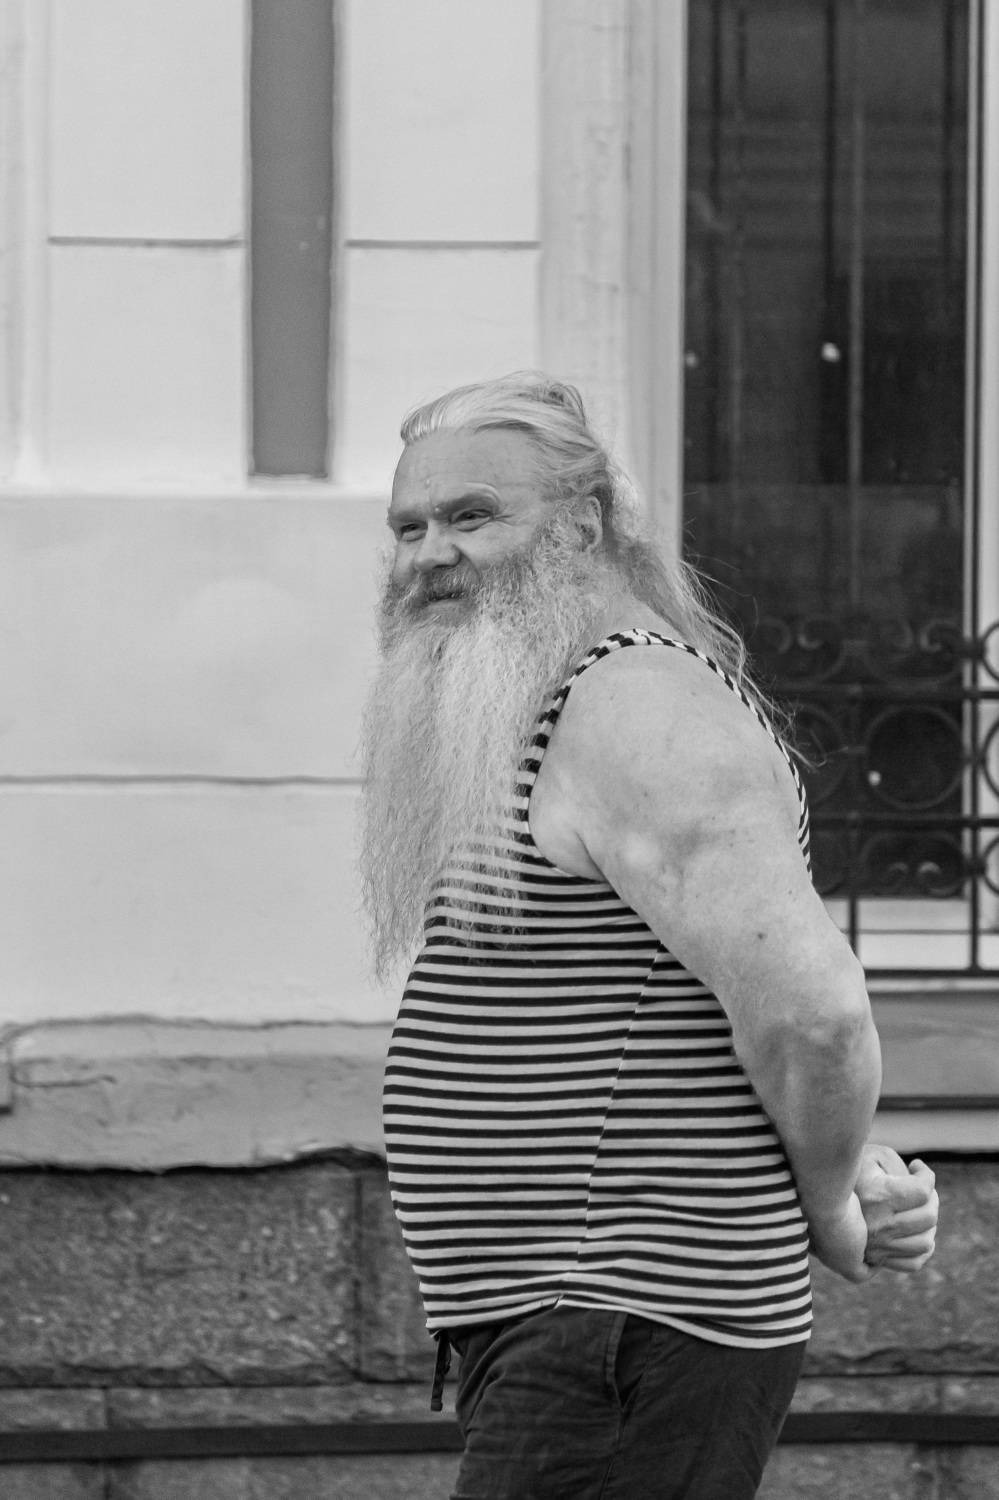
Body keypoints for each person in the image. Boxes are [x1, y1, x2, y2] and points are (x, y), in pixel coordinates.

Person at [360, 373, 939, 1500]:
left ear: (583, 528)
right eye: (409, 526)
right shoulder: (543, 706)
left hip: (623, 1319)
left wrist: (828, 1202)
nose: (431, 554)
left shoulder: (637, 706)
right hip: (581, 1324)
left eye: (473, 516)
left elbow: (813, 1014)